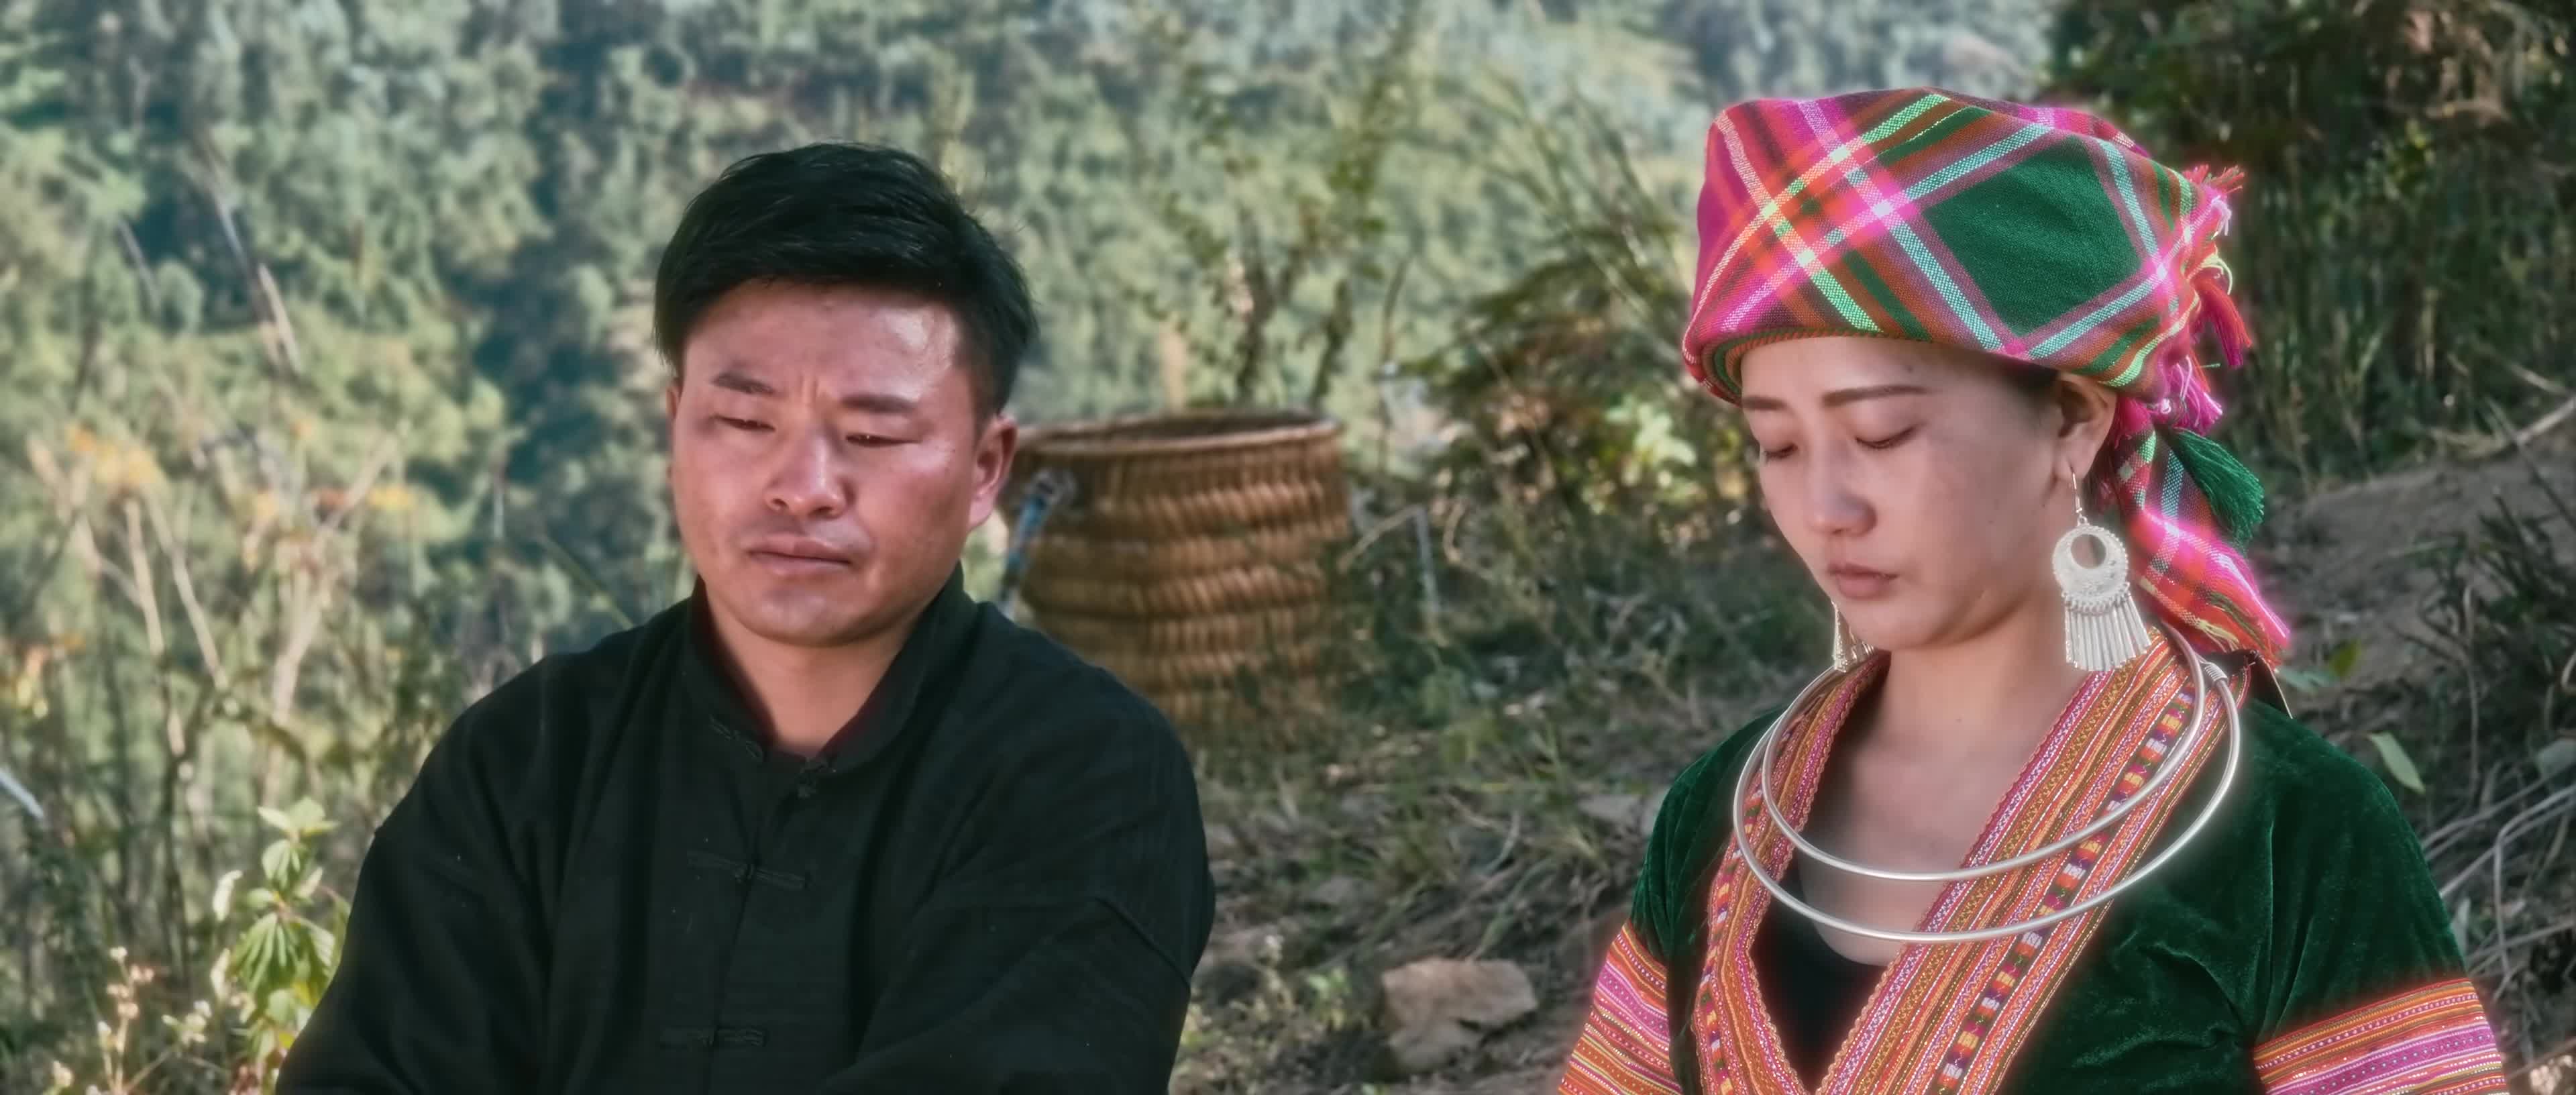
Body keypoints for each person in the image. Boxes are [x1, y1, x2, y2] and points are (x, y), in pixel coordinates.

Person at [1558, 90, 2510, 1095]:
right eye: (1777, 445)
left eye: (1881, 433)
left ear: (2073, 420)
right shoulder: (1721, 816)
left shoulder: (2295, 833)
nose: (1825, 506)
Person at [280, 143, 1215, 1093]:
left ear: (985, 469)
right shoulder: (528, 760)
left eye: (873, 434)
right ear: (675, 426)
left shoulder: (1086, 774)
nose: (803, 488)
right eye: (744, 422)